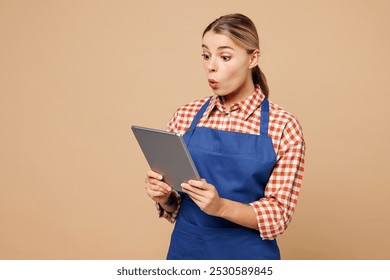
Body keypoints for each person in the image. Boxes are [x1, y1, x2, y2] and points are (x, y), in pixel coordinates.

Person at [144, 13, 305, 260]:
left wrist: (220, 207)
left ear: (253, 58)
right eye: (206, 56)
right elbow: (177, 205)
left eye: (225, 57)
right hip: (186, 253)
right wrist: (164, 198)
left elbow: (278, 216)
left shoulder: (283, 126)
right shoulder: (185, 116)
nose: (211, 66)